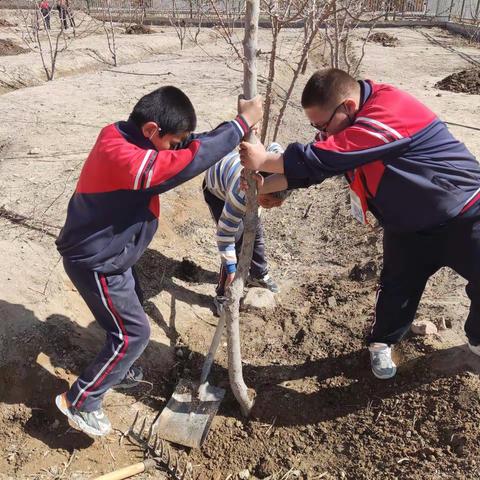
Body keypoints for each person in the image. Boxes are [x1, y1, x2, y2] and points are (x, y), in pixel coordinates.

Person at [240, 67, 480, 380]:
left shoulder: (389, 111)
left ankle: (476, 339)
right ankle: (382, 343)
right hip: (406, 226)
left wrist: (263, 159)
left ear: (348, 108)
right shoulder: (343, 125)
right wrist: (269, 185)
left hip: (465, 215)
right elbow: (321, 161)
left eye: (322, 125)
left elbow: (329, 155)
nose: (321, 133)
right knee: (397, 289)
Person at [54, 86, 262, 436]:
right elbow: (184, 164)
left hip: (112, 255)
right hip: (98, 262)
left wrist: (230, 128)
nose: (176, 146)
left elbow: (188, 146)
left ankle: (119, 370)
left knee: (122, 322)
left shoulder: (121, 132)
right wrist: (241, 124)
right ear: (151, 130)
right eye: (172, 140)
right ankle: (82, 402)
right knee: (134, 333)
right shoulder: (125, 157)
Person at [203, 143, 284, 315]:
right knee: (237, 240)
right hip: (216, 189)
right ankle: (223, 294)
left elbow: (275, 146)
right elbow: (225, 237)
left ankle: (258, 274)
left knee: (257, 233)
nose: (274, 206)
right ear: (258, 188)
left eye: (279, 203)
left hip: (246, 188)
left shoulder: (282, 169)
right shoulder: (239, 195)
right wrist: (232, 270)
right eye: (268, 201)